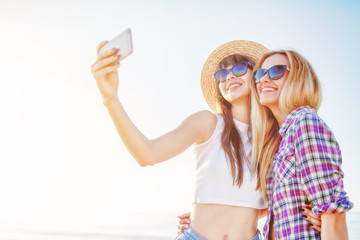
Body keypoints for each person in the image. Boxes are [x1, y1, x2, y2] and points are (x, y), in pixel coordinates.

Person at [91, 39, 270, 240]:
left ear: (256, 75)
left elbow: (270, 201)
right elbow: (147, 154)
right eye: (221, 74)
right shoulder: (208, 123)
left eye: (238, 68)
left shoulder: (272, 138)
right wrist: (110, 99)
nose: (228, 76)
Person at [250, 50, 353, 239]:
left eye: (276, 71)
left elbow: (334, 217)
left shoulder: (304, 122)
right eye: (259, 74)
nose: (264, 79)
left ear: (298, 78)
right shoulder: (279, 140)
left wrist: (328, 219)